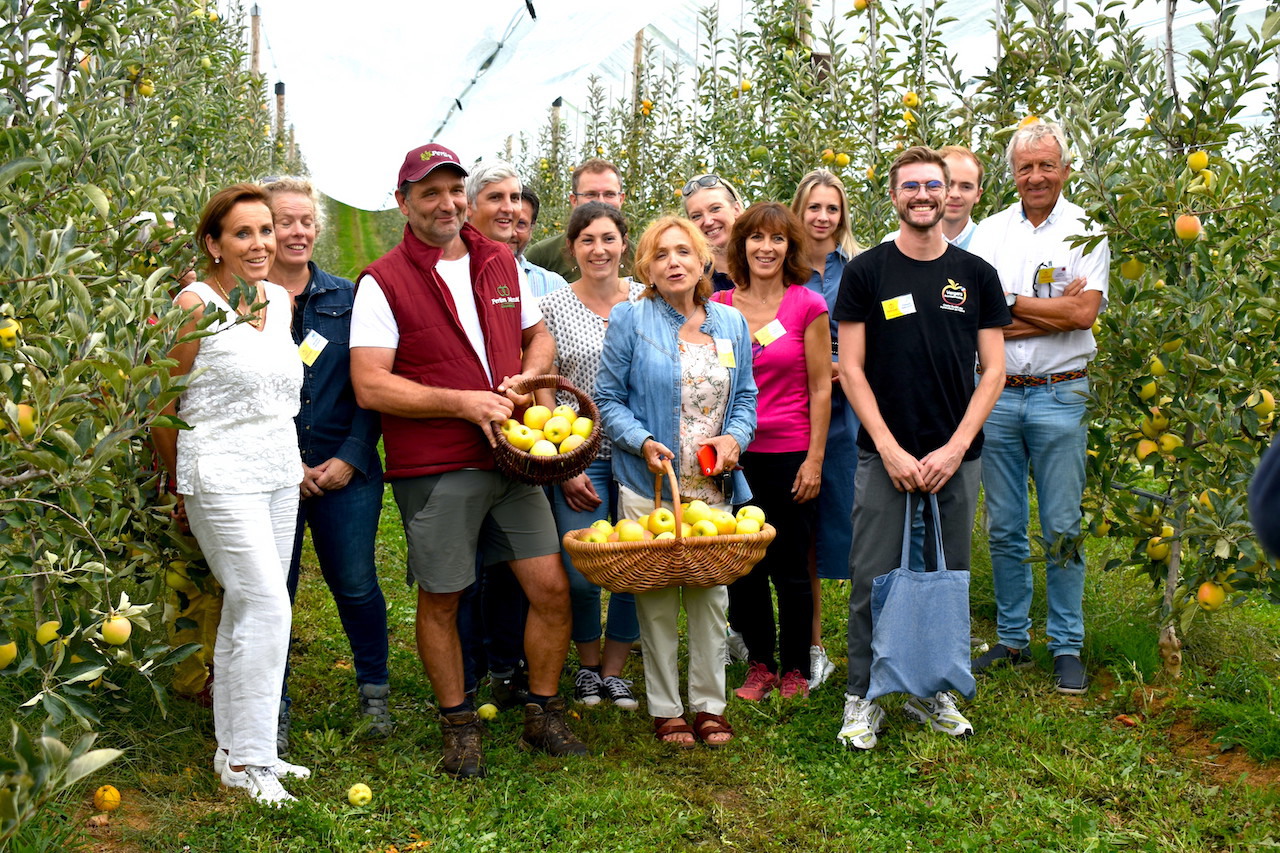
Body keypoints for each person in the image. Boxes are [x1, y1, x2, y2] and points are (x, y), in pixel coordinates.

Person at [349, 144, 585, 779]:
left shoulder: (498, 261)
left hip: (513, 458)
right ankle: (458, 724)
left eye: (454, 190)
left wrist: (530, 374)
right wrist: (460, 402)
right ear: (403, 203)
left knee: (551, 588)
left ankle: (542, 710)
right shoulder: (383, 282)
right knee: (445, 596)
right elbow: (370, 384)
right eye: (430, 193)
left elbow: (538, 335)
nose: (446, 203)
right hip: (439, 464)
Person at [833, 147, 1009, 750]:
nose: (924, 196)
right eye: (910, 186)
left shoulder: (976, 274)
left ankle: (932, 690)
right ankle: (863, 693)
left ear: (950, 193)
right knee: (872, 576)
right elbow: (851, 369)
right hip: (884, 454)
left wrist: (956, 449)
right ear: (894, 197)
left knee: (946, 576)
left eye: (933, 185)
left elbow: (993, 371)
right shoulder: (867, 272)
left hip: (956, 457)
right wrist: (887, 448)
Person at [152, 183, 310, 805]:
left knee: (250, 609)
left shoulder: (280, 299)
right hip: (218, 475)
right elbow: (161, 405)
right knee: (267, 605)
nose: (261, 243)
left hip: (278, 473)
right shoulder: (194, 305)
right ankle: (252, 760)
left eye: (266, 230)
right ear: (213, 244)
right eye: (243, 233)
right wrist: (179, 482)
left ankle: (239, 754)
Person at [595, 215, 757, 747]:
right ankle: (666, 709)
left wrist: (735, 439)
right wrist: (642, 441)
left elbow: (746, 397)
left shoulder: (730, 323)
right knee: (657, 600)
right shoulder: (630, 319)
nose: (673, 263)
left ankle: (709, 706)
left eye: (683, 252)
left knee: (712, 600)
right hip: (652, 485)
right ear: (646, 267)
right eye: (661, 254)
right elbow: (607, 399)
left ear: (703, 260)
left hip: (712, 487)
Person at [968, 121, 1110, 695]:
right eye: (1025, 167)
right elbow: (977, 318)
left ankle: (1066, 643)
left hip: (1062, 392)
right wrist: (1050, 311)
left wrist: (1010, 304)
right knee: (1004, 524)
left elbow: (1083, 315)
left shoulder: (1086, 230)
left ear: (1065, 169)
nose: (1035, 176)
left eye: (1046, 165)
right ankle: (1012, 639)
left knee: (1062, 526)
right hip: (998, 394)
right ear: (1013, 173)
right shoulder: (989, 234)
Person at [262, 177, 391, 750]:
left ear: (317, 227)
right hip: (270, 474)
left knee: (356, 583)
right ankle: (272, 704)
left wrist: (352, 457)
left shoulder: (351, 299)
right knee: (274, 591)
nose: (296, 232)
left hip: (345, 471)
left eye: (305, 221)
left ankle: (375, 692)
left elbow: (372, 388)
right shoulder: (243, 303)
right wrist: (285, 463)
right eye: (281, 222)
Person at [711, 203, 830, 701]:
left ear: (790, 247)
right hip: (734, 456)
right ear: (741, 246)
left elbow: (821, 387)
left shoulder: (807, 305)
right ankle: (760, 664)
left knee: (791, 564)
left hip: (790, 453)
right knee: (745, 565)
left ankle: (797, 667)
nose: (766, 247)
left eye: (777, 239)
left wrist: (814, 460)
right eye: (756, 237)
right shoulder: (717, 305)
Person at [538, 202, 645, 709]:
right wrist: (563, 465)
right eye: (587, 240)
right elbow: (545, 386)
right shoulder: (553, 306)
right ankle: (586, 665)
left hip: (640, 453)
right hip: (583, 455)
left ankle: (614, 669)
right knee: (579, 569)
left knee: (635, 565)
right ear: (571, 248)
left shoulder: (647, 300)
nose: (599, 249)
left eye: (608, 239)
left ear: (624, 243)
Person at [790, 168, 862, 689]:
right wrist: (817, 368)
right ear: (800, 211)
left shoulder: (859, 269)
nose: (822, 217)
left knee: (862, 524)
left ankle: (868, 642)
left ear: (842, 215)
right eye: (813, 207)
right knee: (806, 531)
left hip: (853, 411)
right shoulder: (782, 270)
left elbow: (879, 336)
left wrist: (845, 367)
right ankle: (813, 645)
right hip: (799, 407)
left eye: (831, 208)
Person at [525, 158, 632, 281]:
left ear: (621, 199)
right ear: (574, 200)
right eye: (591, 194)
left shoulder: (640, 257)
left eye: (609, 194)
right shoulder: (543, 255)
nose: (601, 201)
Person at [881, 145, 985, 249]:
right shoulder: (893, 244)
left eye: (966, 187)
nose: (955, 194)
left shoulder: (988, 244)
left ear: (978, 194)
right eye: (949, 184)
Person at [682, 174, 745, 292]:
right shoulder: (692, 283)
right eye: (696, 216)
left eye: (715, 209)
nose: (708, 221)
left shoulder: (767, 262)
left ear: (736, 209)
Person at [514, 187, 570, 300]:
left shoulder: (553, 287)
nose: (510, 232)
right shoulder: (473, 279)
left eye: (520, 223)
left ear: (532, 228)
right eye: (502, 222)